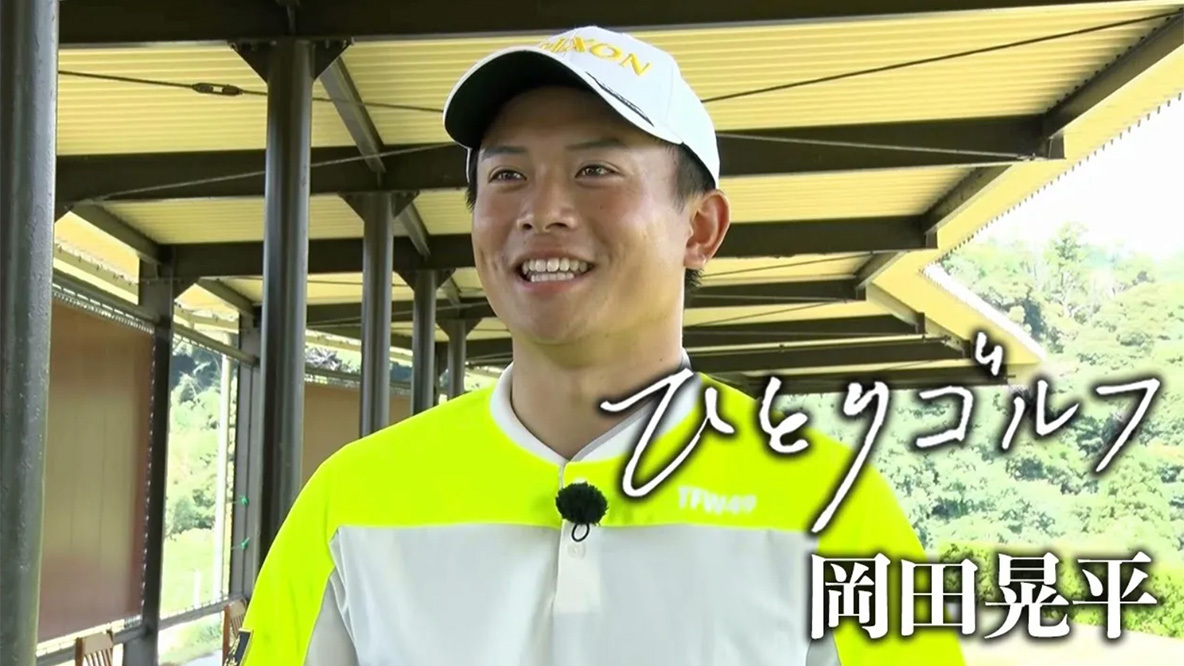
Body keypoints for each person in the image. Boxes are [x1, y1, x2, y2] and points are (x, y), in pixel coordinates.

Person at [233, 25, 967, 666]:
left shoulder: (831, 503)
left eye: (596, 172)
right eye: (507, 175)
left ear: (700, 228)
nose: (542, 211)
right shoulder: (351, 501)